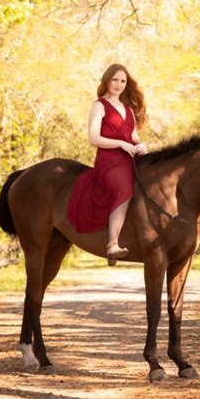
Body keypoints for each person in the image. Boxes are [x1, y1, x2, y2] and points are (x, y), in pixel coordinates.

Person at [67, 64, 147, 263]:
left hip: (129, 157)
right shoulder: (99, 105)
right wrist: (120, 143)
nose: (119, 85)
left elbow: (133, 136)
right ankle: (112, 245)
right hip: (109, 160)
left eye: (123, 81)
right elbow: (93, 138)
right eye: (115, 80)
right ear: (107, 81)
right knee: (124, 189)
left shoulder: (128, 109)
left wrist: (141, 145)